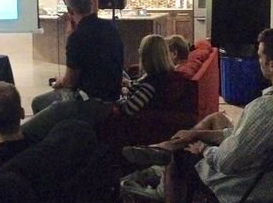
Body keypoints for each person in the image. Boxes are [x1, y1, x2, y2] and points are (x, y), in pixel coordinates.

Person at [123, 28, 273, 203]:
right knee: (213, 120)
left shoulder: (264, 108)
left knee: (177, 159)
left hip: (247, 188)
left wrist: (203, 148)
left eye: (260, 56)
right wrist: (197, 134)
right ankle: (163, 148)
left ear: (272, 66)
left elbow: (226, 162)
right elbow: (244, 137)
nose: (258, 61)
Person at [21, 33, 185, 142]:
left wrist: (122, 92)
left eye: (141, 51)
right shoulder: (157, 76)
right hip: (120, 98)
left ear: (147, 57)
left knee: (67, 100)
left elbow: (129, 109)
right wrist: (127, 85)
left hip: (110, 110)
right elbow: (138, 89)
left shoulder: (152, 84)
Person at [30, 0, 123, 115]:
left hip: (89, 102)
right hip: (113, 97)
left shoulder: (76, 37)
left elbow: (70, 82)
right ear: (90, 5)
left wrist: (60, 81)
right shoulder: (111, 28)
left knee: (38, 102)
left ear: (69, 11)